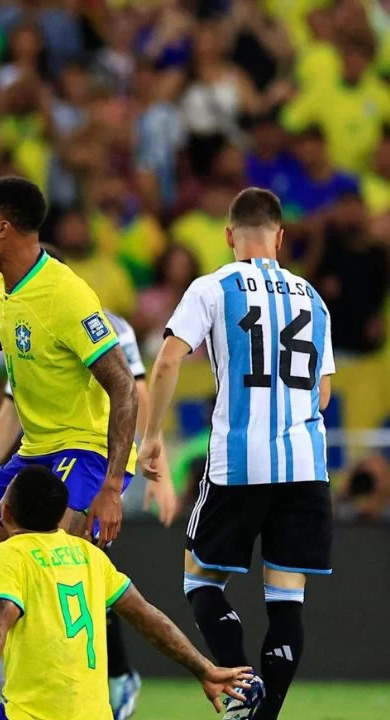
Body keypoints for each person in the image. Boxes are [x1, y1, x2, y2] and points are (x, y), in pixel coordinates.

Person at [0, 243, 175, 720]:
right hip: (37, 450)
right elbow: (12, 409)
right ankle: (14, 693)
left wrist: (144, 465)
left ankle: (104, 681)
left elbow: (132, 391)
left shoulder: (95, 318)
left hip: (89, 452)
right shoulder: (15, 303)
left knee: (57, 571)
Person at [139, 187, 335, 720]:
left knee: (200, 579)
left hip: (239, 461)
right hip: (305, 466)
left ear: (229, 236)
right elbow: (323, 391)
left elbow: (167, 362)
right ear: (281, 237)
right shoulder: (312, 298)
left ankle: (242, 695)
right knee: (286, 599)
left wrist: (152, 436)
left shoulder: (213, 286)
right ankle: (263, 715)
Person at [0, 466, 251, 720]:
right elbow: (149, 618)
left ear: (5, 511)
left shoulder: (3, 556)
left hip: (31, 717)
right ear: (60, 516)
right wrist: (204, 668)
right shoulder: (90, 555)